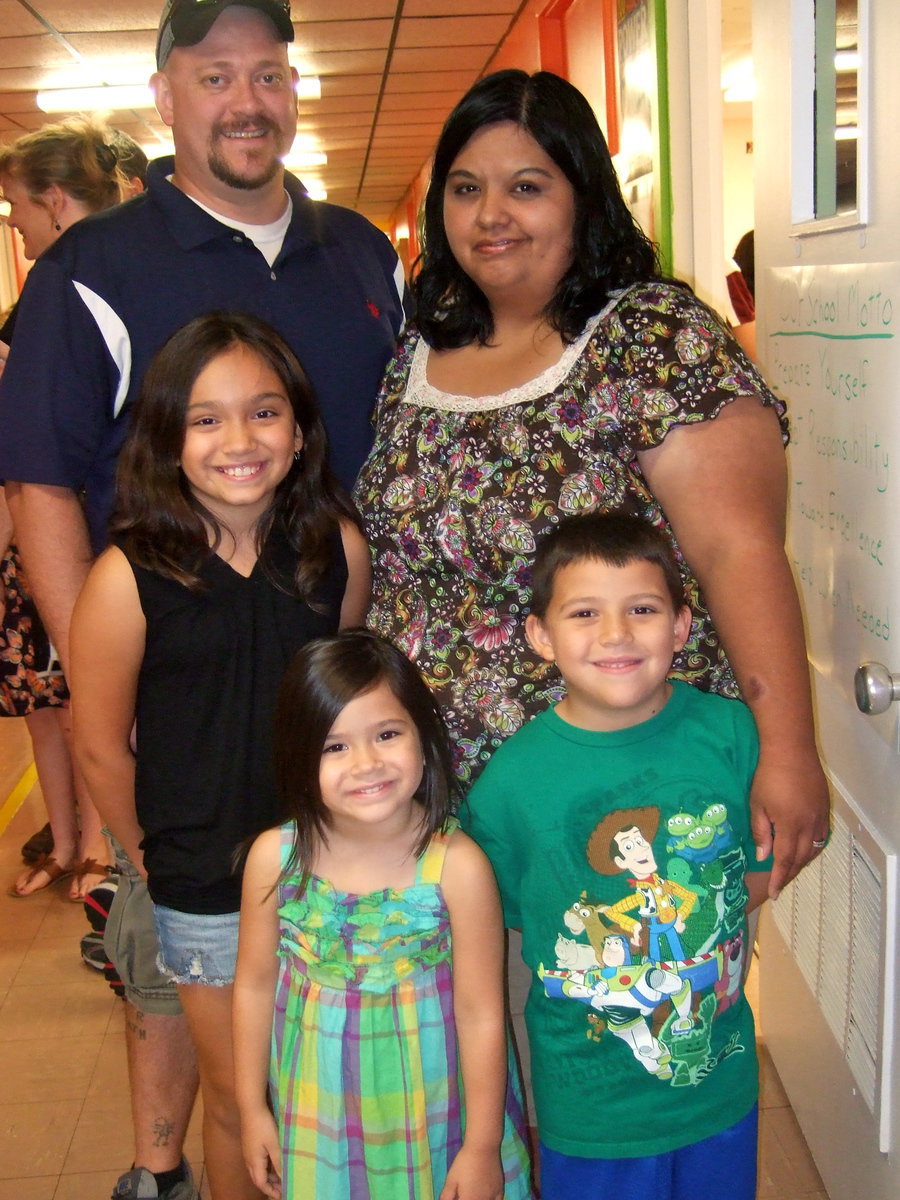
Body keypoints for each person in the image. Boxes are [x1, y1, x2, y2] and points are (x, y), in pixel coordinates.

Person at [0, 1, 404, 1194]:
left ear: (294, 92)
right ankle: (162, 1168)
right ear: (165, 97)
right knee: (182, 973)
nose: (246, 101)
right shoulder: (97, 266)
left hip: (306, 700)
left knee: (313, 1016)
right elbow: (39, 490)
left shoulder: (358, 254)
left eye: (270, 74)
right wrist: (107, 703)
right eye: (215, 75)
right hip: (170, 675)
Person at [355, 68, 828, 896]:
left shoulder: (652, 338)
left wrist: (788, 754)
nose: (490, 214)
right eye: (466, 189)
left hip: (615, 790)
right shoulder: (417, 355)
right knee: (479, 1024)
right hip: (436, 801)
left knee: (614, 1012)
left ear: (584, 198)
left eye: (526, 186)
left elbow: (737, 553)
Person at [70, 310, 371, 1199]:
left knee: (331, 1089)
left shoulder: (334, 549)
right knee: (246, 1100)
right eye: (205, 419)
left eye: (264, 412)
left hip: (332, 869)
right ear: (166, 439)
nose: (239, 440)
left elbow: (346, 701)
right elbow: (98, 745)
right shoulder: (127, 576)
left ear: (300, 428)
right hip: (205, 889)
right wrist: (157, 866)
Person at [462, 513, 771, 1200]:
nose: (616, 635)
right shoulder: (511, 785)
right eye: (583, 613)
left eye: (641, 608)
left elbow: (752, 876)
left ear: (682, 626)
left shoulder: (731, 736)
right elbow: (516, 916)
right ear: (541, 636)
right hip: (590, 1109)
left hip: (720, 1085)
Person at [233, 629, 533, 1199]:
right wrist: (251, 1108)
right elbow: (252, 986)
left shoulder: (457, 867)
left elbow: (481, 1014)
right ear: (298, 756)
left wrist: (481, 1145)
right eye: (334, 746)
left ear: (423, 736)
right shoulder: (274, 860)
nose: (366, 764)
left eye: (387, 734)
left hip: (439, 1114)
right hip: (318, 1115)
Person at [0, 116, 132, 900]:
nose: (13, 227)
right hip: (55, 541)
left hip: (85, 537)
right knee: (62, 704)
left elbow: (39, 468)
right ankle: (86, 839)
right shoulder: (42, 304)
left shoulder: (75, 292)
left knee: (93, 698)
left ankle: (105, 847)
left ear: (53, 200)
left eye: (17, 208)